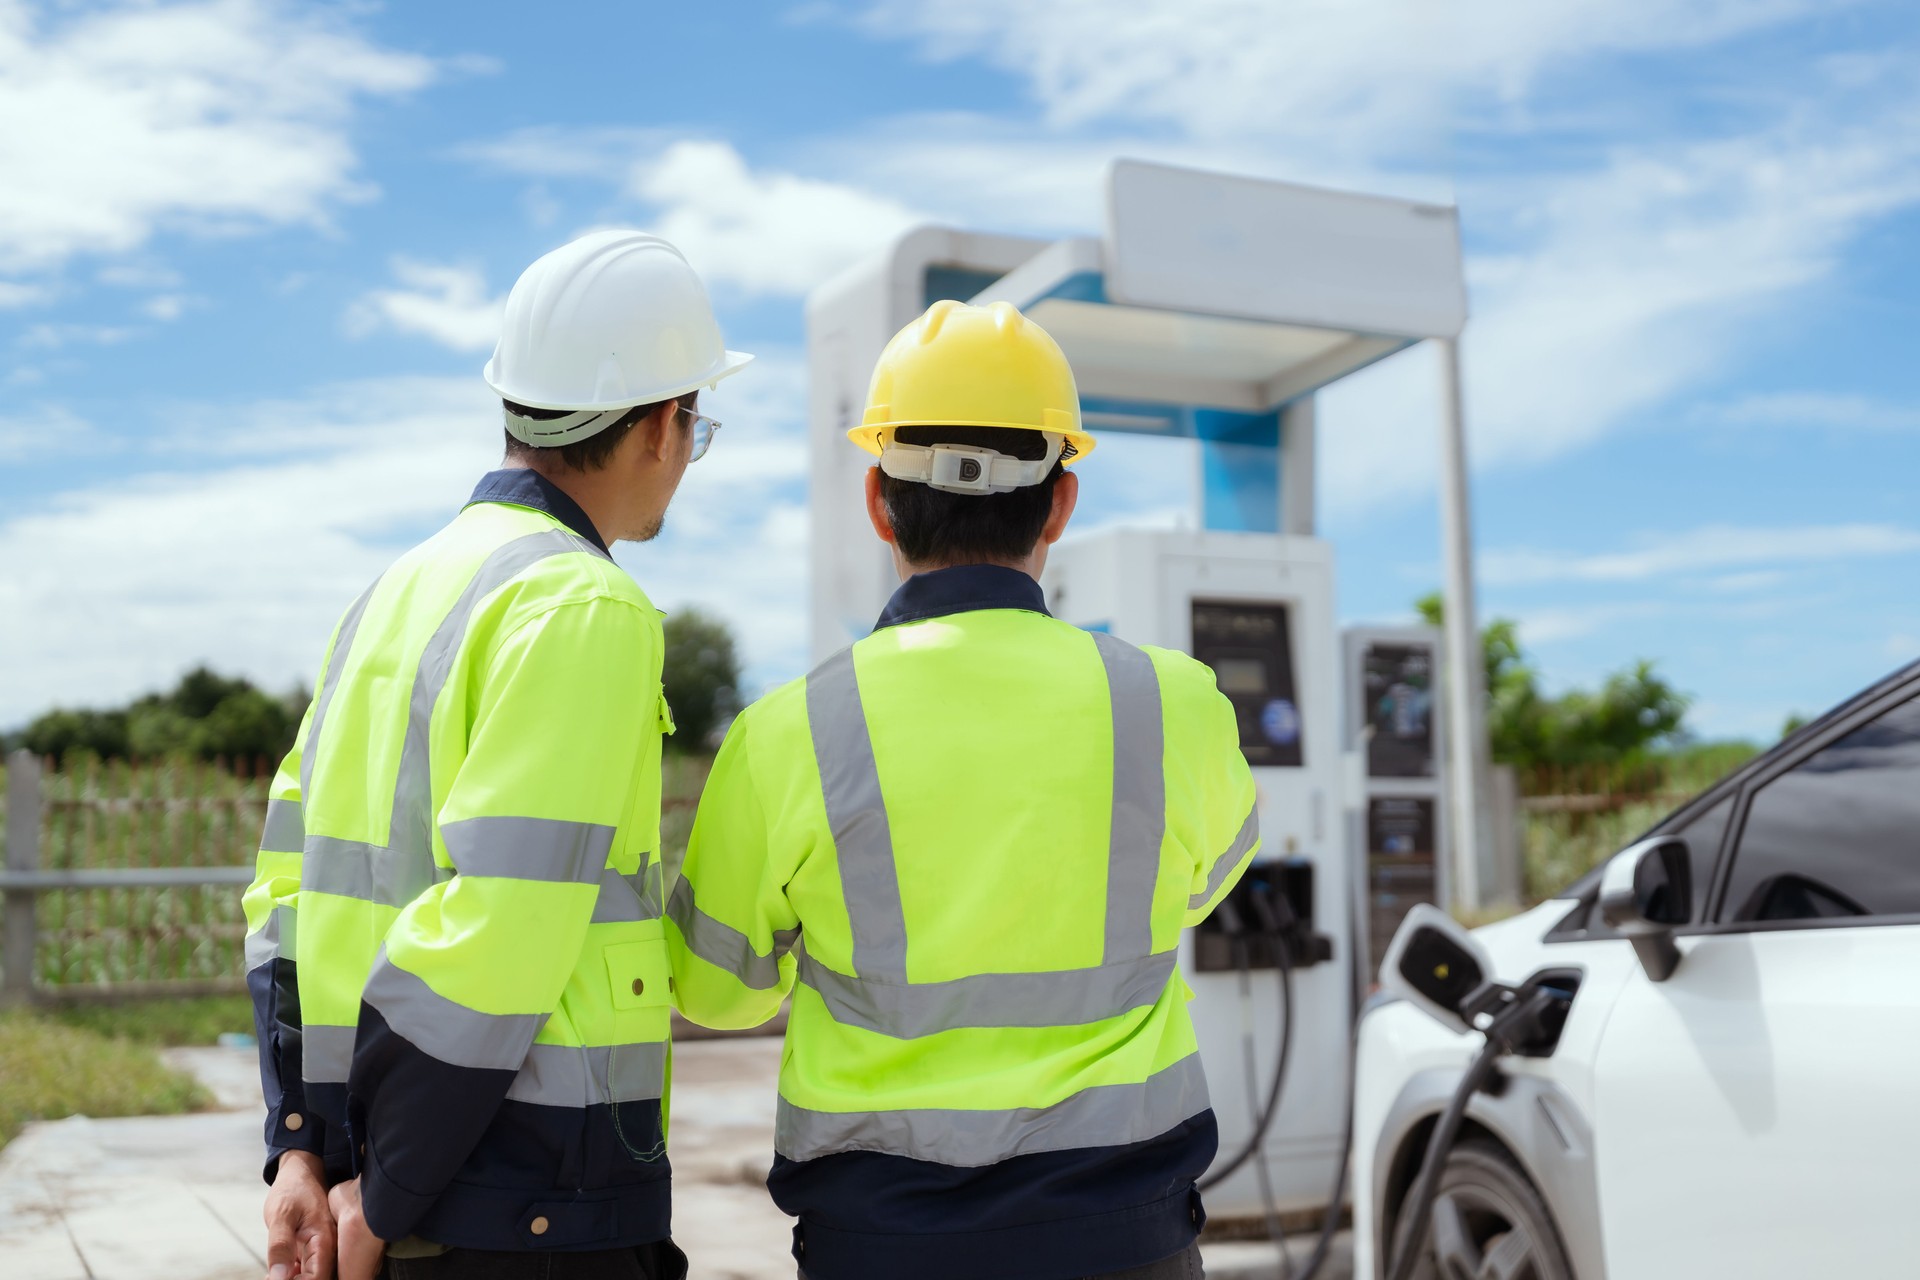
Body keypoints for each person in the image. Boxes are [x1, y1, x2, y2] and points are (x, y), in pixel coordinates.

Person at [666, 300, 1260, 1280]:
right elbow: (1201, 882)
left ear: (878, 500)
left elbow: (717, 993)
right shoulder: (1173, 700)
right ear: (1060, 504)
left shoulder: (790, 731)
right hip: (1127, 1239)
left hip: (882, 1243)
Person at [241, 229, 751, 1280]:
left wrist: (299, 1140)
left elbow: (284, 886)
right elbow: (501, 925)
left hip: (382, 1178)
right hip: (514, 1200)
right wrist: (387, 1196)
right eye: (696, 427)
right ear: (664, 423)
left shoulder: (392, 593)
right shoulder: (585, 602)